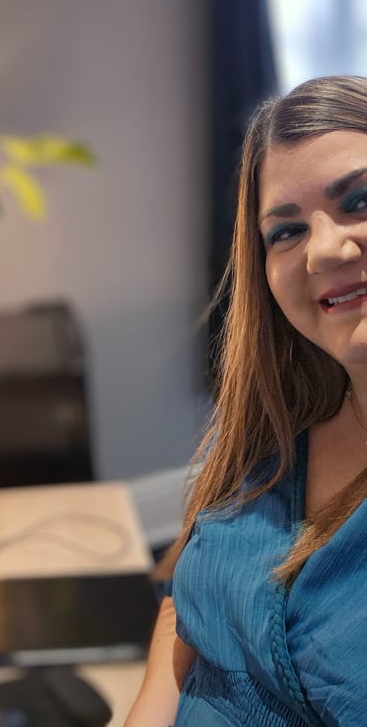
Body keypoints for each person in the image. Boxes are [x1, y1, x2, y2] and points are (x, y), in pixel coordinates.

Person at [126, 75, 367, 726]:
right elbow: (185, 602)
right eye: (285, 232)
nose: (324, 249)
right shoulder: (279, 431)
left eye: (361, 199)